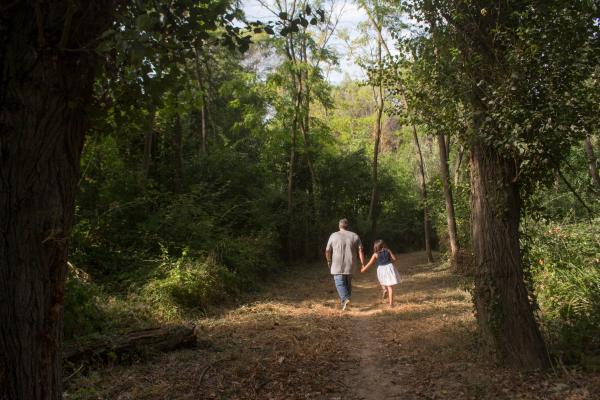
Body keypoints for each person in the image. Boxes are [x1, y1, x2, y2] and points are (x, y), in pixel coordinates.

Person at [325, 218, 365, 310]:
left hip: (336, 264)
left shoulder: (333, 235)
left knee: (339, 283)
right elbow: (360, 250)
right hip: (350, 264)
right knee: (347, 283)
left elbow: (327, 250)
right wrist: (363, 263)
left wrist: (329, 260)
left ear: (339, 226)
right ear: (348, 226)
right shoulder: (354, 235)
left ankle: (345, 299)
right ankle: (346, 302)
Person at [361, 240, 401, 308]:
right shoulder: (388, 250)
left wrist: (363, 269)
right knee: (390, 287)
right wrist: (390, 261)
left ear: (376, 247)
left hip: (381, 269)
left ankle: (384, 289)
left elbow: (370, 263)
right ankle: (391, 304)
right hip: (389, 267)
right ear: (383, 245)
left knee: (382, 281)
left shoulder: (375, 254)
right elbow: (394, 259)